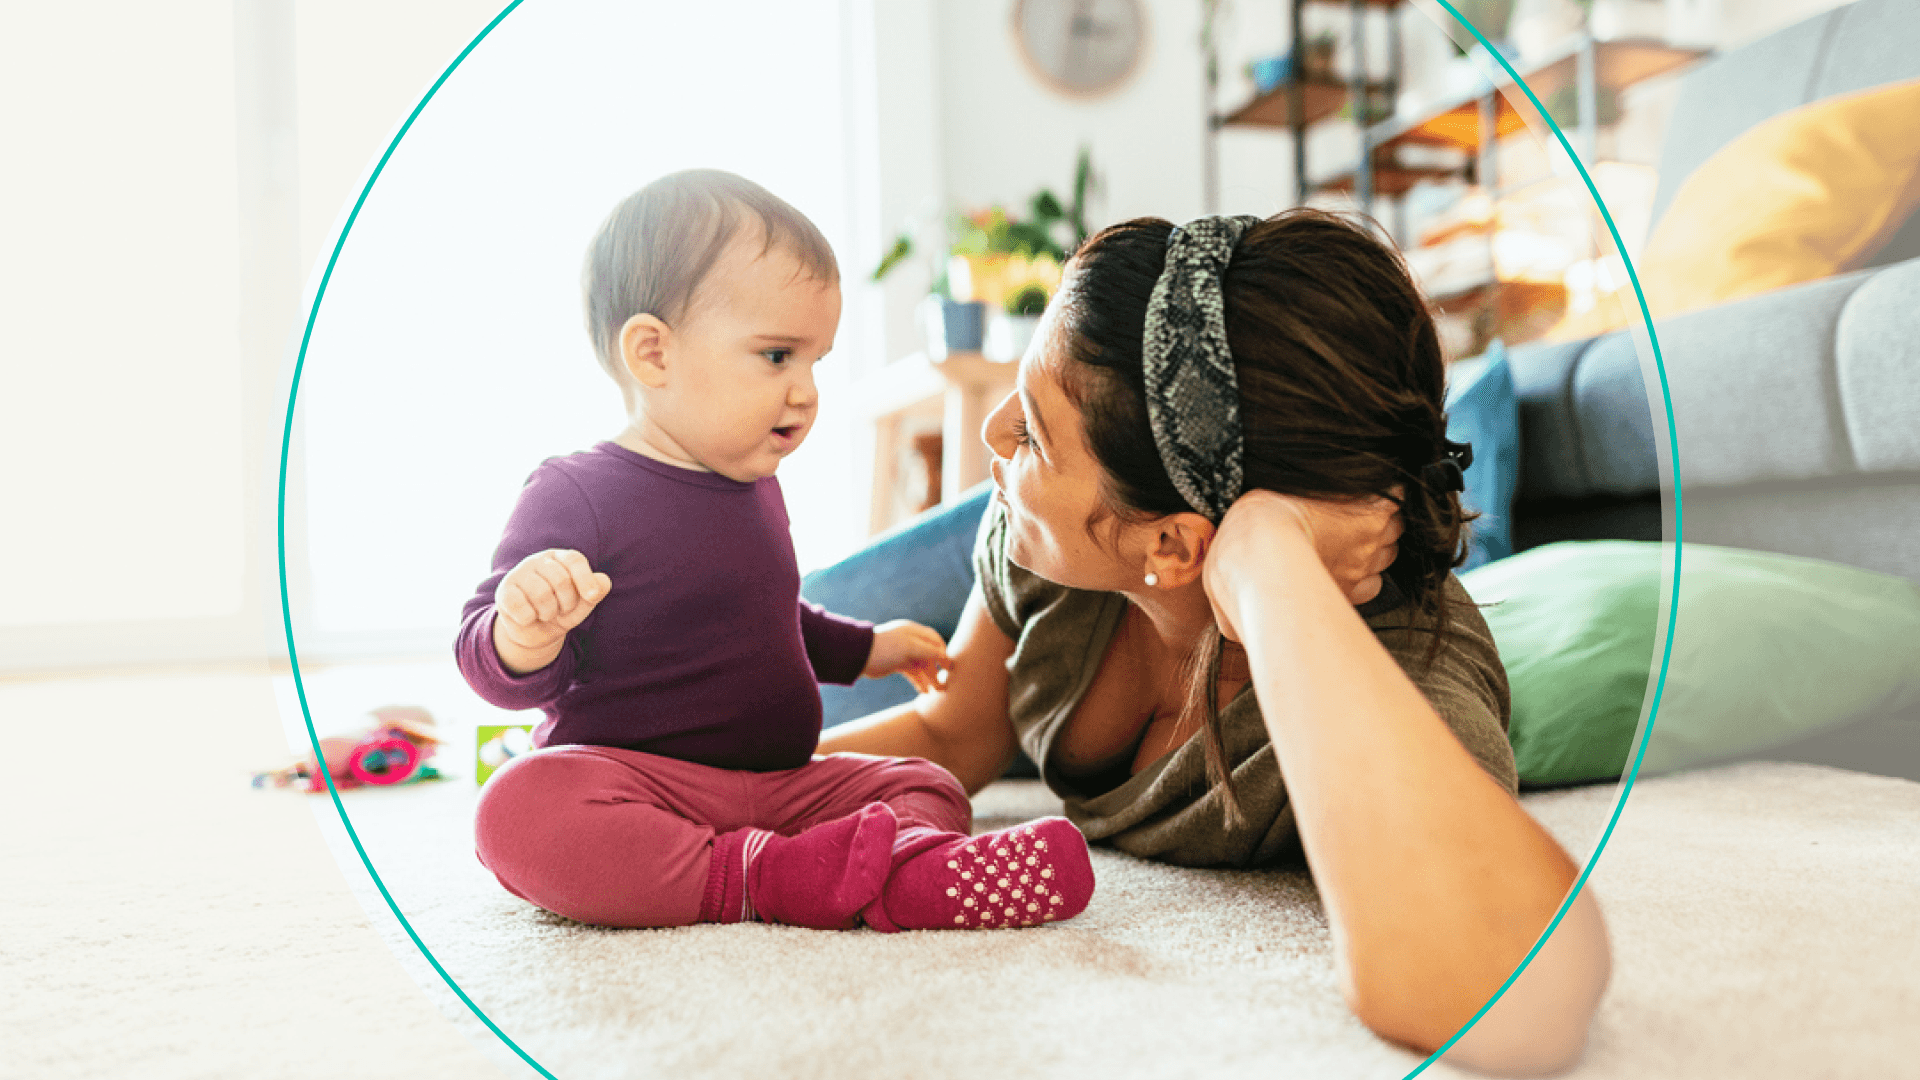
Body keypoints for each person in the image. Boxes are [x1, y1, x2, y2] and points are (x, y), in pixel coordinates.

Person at [819, 211, 1611, 1072]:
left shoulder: (1409, 661)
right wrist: (720, 788)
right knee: (792, 636)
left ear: (1173, 544)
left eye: (1035, 436)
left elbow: (1519, 998)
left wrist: (1267, 559)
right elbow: (948, 735)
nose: (992, 432)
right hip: (1099, 552)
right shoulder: (1043, 542)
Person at [455, 170, 1095, 934]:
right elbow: (482, 654)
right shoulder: (576, 491)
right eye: (777, 356)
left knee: (926, 783)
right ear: (653, 354)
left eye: (815, 361)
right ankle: (764, 878)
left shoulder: (755, 486)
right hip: (643, 784)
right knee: (515, 811)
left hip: (781, 784)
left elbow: (773, 620)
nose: (805, 390)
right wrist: (524, 631)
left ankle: (906, 874)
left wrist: (869, 649)